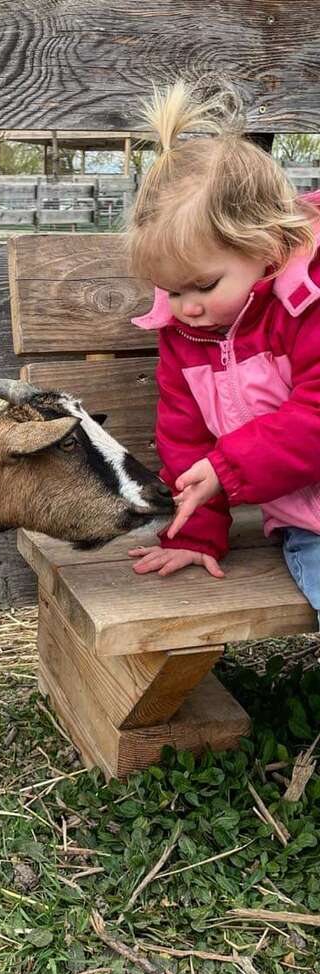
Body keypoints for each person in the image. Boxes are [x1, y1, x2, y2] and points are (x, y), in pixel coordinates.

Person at [125, 79, 320, 620]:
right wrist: (198, 535)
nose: (186, 307)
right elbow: (185, 442)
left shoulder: (308, 307)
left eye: (204, 286)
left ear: (266, 244)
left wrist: (227, 466)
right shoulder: (185, 337)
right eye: (172, 289)